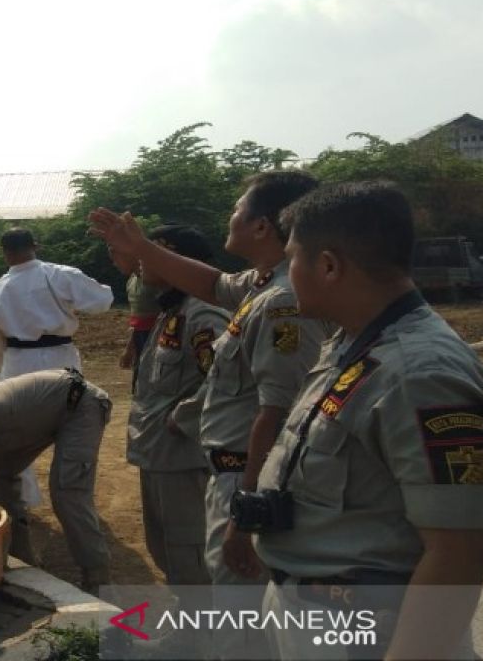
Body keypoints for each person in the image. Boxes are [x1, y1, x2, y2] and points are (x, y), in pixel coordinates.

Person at [241, 182, 483, 659]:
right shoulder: (355, 343)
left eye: (293, 259)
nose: (288, 273)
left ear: (328, 265)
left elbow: (461, 555)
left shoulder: (421, 374)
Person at [89, 170, 327, 660]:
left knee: (243, 615)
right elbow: (213, 282)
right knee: (230, 600)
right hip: (228, 474)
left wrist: (247, 509)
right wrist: (139, 249)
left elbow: (276, 412)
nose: (230, 215)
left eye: (239, 208)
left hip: (244, 475)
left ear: (262, 226)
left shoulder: (281, 302)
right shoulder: (259, 286)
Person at [0, 369, 113, 593]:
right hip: (42, 414)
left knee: (67, 493)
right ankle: (20, 556)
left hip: (80, 406)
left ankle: (97, 577)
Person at [127, 225, 227, 592]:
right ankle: (188, 631)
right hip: (159, 454)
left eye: (151, 254)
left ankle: (201, 641)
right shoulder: (173, 311)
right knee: (166, 547)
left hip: (183, 457)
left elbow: (224, 380)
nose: (142, 263)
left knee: (189, 553)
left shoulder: (203, 315)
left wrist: (180, 417)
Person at [0, 227, 113, 380]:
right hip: (60, 360)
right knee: (63, 403)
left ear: (4, 252)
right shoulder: (61, 274)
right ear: (35, 246)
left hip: (17, 364)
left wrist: (4, 365)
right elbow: (103, 301)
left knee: (23, 404)